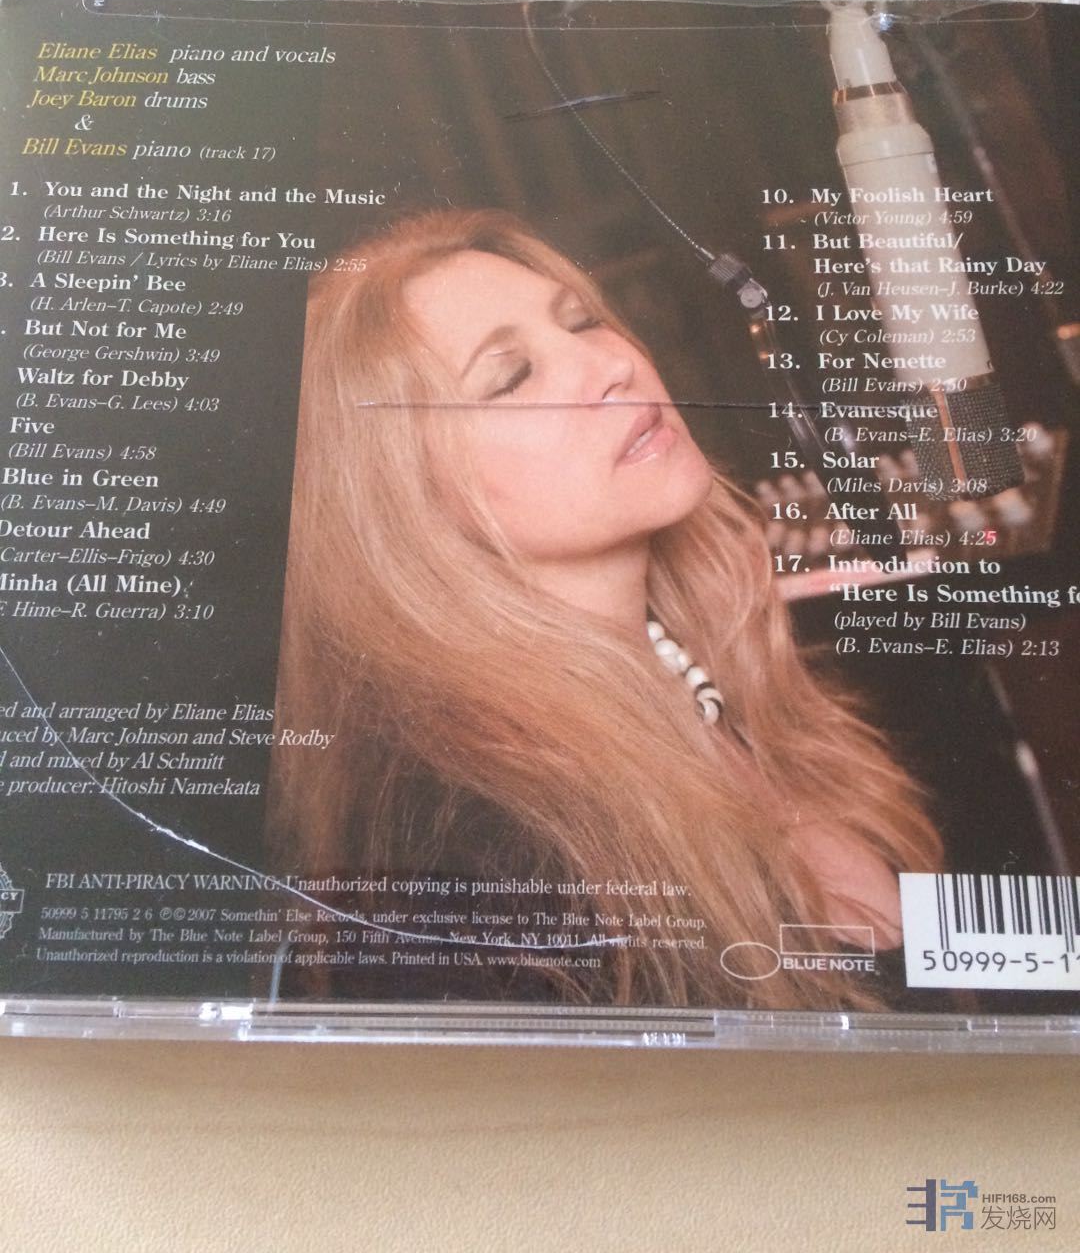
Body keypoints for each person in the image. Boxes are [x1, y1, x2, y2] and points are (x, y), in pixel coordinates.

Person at [270, 207, 942, 1012]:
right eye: (511, 377)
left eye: (583, 320)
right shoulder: (466, 848)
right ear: (405, 504)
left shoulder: (718, 676)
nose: (612, 364)